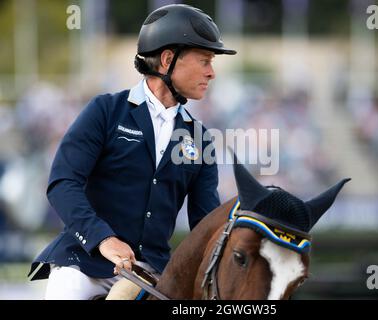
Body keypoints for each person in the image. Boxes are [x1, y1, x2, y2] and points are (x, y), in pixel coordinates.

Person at [27, 4, 236, 300]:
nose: (211, 73)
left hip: (151, 272)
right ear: (167, 60)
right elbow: (63, 183)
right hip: (85, 263)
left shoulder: (200, 139)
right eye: (204, 61)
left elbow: (204, 224)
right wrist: (104, 240)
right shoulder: (106, 111)